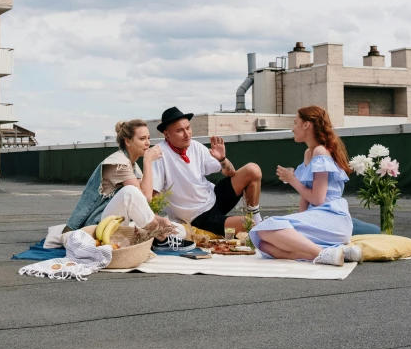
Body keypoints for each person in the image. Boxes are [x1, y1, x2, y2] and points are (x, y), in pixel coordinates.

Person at [249, 105, 363, 266]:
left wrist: (292, 179)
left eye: (295, 123)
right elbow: (306, 200)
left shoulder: (320, 152)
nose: (293, 128)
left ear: (306, 125)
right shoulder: (309, 153)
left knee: (264, 228)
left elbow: (317, 199)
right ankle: (340, 253)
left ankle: (323, 252)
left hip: (332, 218)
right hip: (318, 220)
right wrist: (298, 219)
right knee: (264, 245)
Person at [64, 119, 195, 251]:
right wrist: (148, 161)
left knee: (176, 229)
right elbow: (144, 197)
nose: (148, 143)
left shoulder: (132, 165)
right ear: (128, 141)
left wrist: (160, 220)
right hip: (97, 226)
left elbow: (141, 202)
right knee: (130, 192)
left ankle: (158, 238)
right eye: (142, 138)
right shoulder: (117, 163)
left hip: (117, 221)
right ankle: (160, 239)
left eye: (148, 138)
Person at [152, 107, 263, 237]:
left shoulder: (195, 146)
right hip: (199, 216)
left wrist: (222, 159)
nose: (187, 134)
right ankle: (254, 224)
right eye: (179, 131)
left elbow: (230, 172)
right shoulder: (159, 154)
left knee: (252, 169)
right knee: (247, 224)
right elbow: (154, 195)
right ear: (166, 134)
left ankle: (256, 216)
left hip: (214, 197)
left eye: (188, 128)